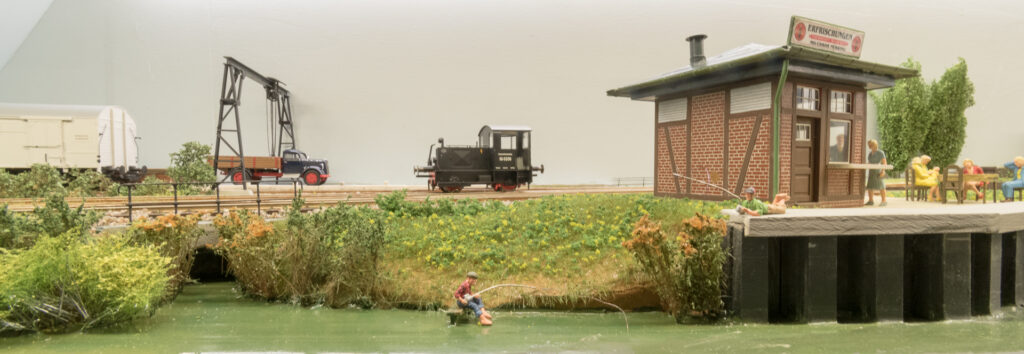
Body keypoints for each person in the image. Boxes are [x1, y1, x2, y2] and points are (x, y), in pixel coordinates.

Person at [865, 139, 887, 206]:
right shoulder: (870, 154)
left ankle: (884, 201)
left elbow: (884, 163)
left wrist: (883, 171)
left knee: (881, 186)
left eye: (870, 145)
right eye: (869, 145)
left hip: (878, 170)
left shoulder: (880, 153)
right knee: (870, 186)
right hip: (871, 171)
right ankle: (871, 200)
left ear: (874, 145)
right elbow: (869, 162)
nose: (869, 146)